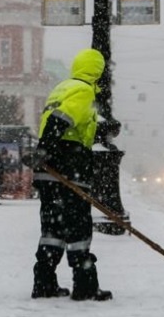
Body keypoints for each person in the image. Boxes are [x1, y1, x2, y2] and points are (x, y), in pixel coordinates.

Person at [25, 48, 115, 301]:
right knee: (78, 229)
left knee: (52, 229)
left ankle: (44, 283)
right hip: (69, 168)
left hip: (49, 171)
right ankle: (85, 285)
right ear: (98, 72)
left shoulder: (62, 88)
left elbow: (64, 123)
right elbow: (61, 119)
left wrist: (44, 152)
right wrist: (46, 148)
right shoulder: (85, 91)